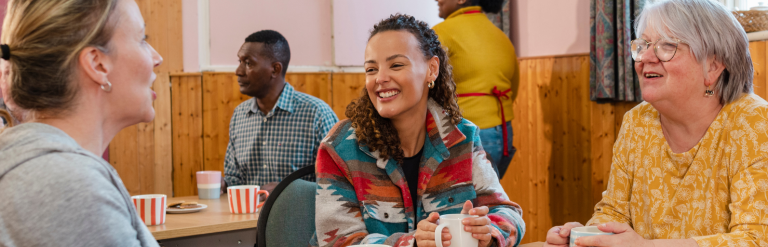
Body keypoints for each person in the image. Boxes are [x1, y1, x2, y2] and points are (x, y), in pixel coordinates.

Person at [545, 0, 768, 246]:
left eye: (667, 46)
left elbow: (755, 239)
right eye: (643, 45)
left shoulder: (755, 122)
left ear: (713, 66)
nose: (645, 58)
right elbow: (614, 213)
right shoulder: (638, 121)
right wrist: (588, 235)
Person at [312, 14, 525, 247]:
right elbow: (339, 242)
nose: (380, 78)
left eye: (396, 65)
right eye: (371, 69)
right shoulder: (340, 147)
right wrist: (410, 243)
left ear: (432, 69)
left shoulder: (462, 137)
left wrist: (489, 231)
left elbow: (507, 212)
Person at [0, 0, 163, 246]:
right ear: (97, 64)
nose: (157, 58)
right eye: (142, 38)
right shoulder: (71, 188)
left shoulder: (40, 165)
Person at [223, 30, 338, 193]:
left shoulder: (316, 114)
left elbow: (338, 182)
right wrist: (224, 184)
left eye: (248, 63)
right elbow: (235, 179)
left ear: (275, 69)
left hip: (299, 218)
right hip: (247, 218)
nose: (238, 71)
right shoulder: (239, 115)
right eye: (240, 61)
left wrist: (289, 191)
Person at [433, 0, 519, 179]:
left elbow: (421, 85)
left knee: (463, 204)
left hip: (464, 134)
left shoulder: (441, 33)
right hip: (502, 133)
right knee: (487, 201)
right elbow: (514, 87)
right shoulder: (501, 35)